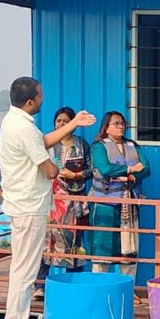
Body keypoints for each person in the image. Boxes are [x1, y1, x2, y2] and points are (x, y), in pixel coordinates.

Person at [0, 77, 95, 319]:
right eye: (40, 96)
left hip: (22, 204)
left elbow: (43, 141)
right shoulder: (23, 129)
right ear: (30, 102)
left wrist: (74, 124)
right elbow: (49, 169)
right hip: (29, 205)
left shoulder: (13, 122)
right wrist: (59, 168)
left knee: (24, 265)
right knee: (25, 269)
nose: (43, 99)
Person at [35, 106, 93, 298]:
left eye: (66, 121)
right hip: (51, 202)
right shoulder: (47, 144)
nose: (62, 124)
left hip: (74, 204)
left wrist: (76, 175)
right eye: (59, 121)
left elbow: (92, 170)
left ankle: (72, 285)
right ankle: (40, 286)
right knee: (46, 244)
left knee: (73, 243)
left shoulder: (82, 145)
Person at [89, 111, 150, 289]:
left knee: (129, 250)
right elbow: (105, 168)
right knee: (103, 249)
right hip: (104, 204)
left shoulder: (132, 145)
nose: (121, 126)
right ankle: (99, 289)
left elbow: (146, 169)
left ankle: (127, 289)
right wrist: (130, 169)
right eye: (116, 123)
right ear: (106, 127)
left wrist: (131, 178)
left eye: (122, 123)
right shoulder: (99, 147)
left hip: (129, 204)